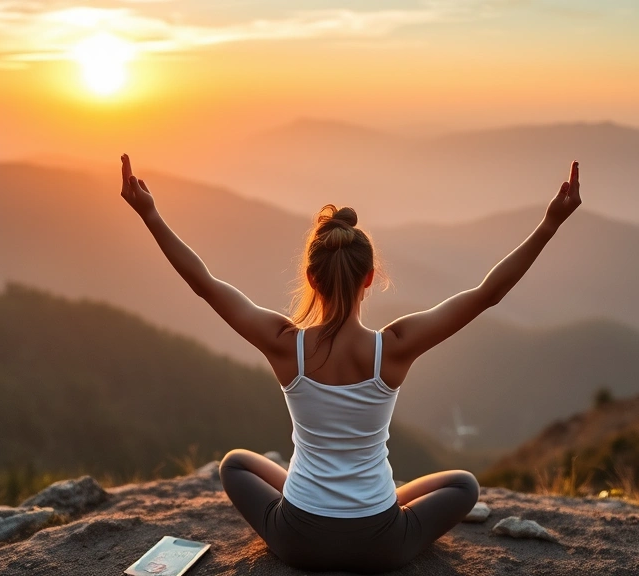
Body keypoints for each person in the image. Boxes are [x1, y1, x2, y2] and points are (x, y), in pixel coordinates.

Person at [119, 154, 582, 573]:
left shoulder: (285, 345)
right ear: (370, 279)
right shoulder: (394, 347)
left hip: (297, 539)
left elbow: (205, 283)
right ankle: (385, 501)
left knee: (235, 463)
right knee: (464, 484)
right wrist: (549, 223)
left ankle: (321, 496)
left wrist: (151, 215)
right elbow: (487, 294)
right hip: (381, 544)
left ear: (309, 277)